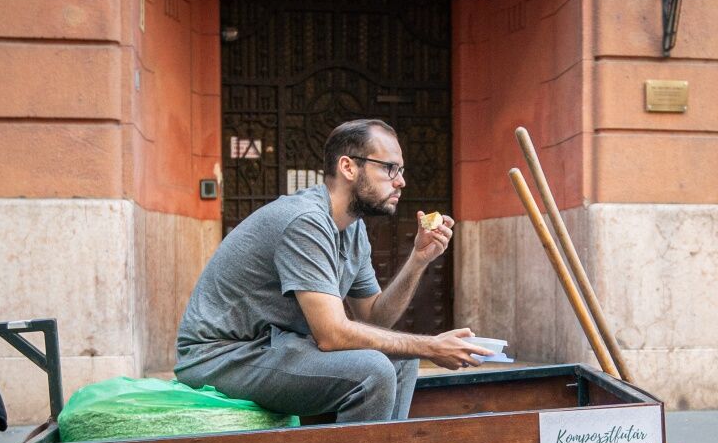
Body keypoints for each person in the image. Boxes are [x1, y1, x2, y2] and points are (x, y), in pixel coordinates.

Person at [174, 118, 491, 422]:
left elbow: (375, 317)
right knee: (374, 371)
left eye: (402, 170)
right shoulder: (306, 221)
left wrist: (418, 259)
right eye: (390, 168)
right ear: (348, 167)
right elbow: (331, 335)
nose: (401, 181)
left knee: (401, 361)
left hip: (274, 348)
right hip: (220, 356)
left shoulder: (353, 229)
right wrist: (431, 346)